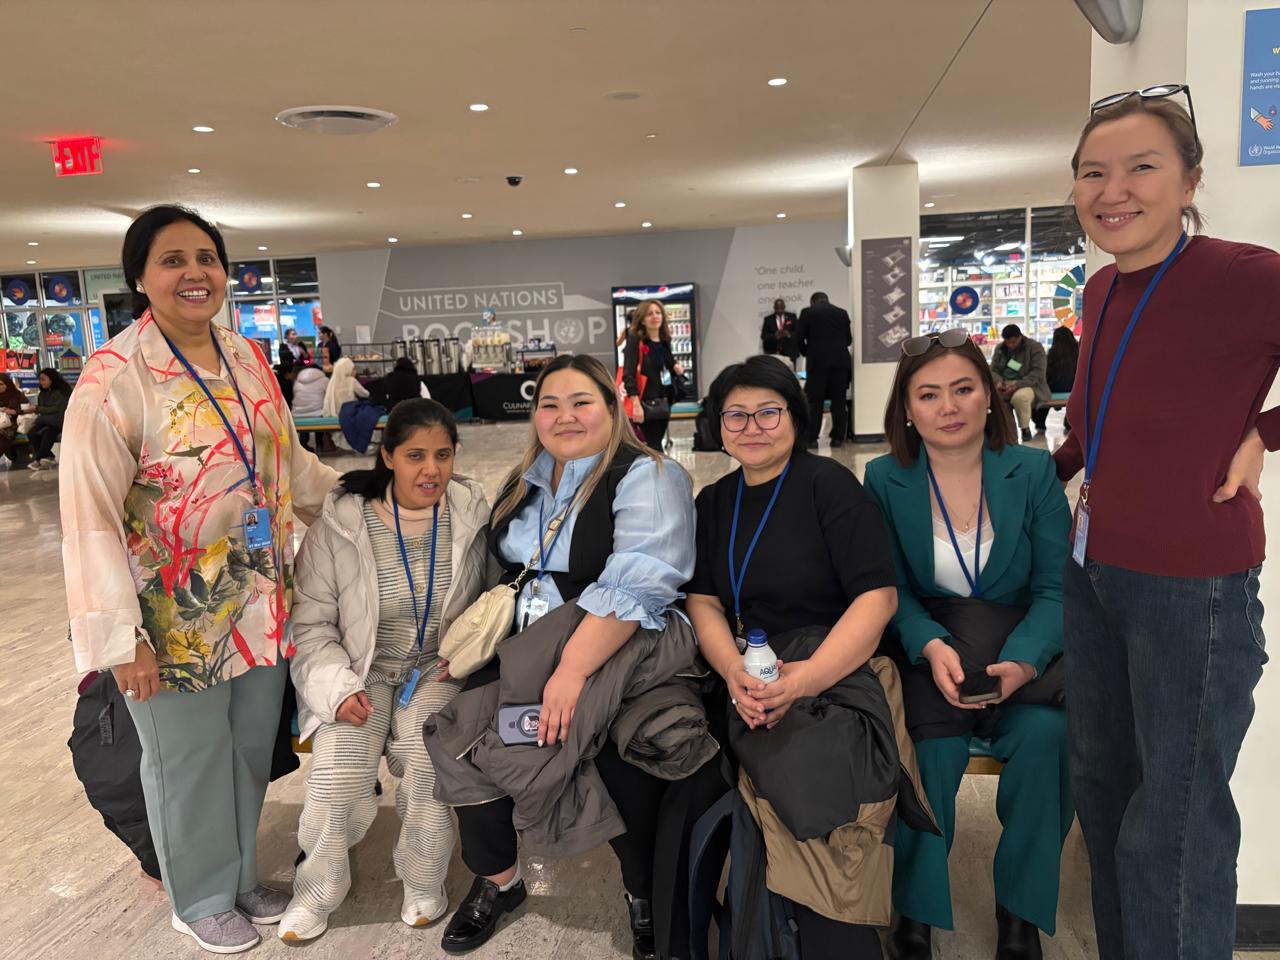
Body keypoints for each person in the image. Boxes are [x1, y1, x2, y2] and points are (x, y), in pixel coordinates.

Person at [58, 204, 339, 954]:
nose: (195, 273)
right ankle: (200, 895)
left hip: (258, 600)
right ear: (140, 278)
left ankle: (240, 876)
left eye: (207, 258)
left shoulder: (245, 356)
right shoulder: (113, 377)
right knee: (186, 761)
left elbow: (288, 465)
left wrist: (363, 503)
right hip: (168, 617)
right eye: (173, 260)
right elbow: (87, 517)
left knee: (247, 751)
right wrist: (122, 640)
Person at [1056, 88, 1278, 960]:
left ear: (1189, 182)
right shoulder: (1103, 287)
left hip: (1194, 590)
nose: (1112, 191)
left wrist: (1264, 434)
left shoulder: (1243, 276)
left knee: (1173, 826)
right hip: (1094, 573)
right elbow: (1095, 426)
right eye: (1092, 173)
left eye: (1141, 168)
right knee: (1105, 797)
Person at [430, 353, 696, 959]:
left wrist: (572, 671)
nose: (564, 416)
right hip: (526, 645)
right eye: (549, 404)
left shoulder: (648, 476)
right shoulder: (523, 481)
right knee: (462, 733)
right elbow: (496, 571)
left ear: (612, 408)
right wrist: (466, 644)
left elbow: (641, 580)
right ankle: (499, 880)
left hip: (616, 643)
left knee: (619, 754)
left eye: (581, 402)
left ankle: (644, 892)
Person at [863, 329, 1073, 960]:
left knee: (1047, 740)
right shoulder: (884, 478)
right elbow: (890, 588)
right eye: (928, 394)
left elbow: (1057, 587)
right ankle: (916, 911)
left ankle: (1021, 912)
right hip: (935, 652)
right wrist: (929, 645)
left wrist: (1025, 660)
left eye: (963, 389)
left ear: (991, 394)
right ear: (907, 409)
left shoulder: (1032, 471)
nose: (948, 407)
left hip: (1022, 651)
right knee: (926, 752)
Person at [685, 354, 901, 960]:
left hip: (831, 668)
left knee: (809, 774)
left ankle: (830, 932)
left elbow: (877, 598)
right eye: (736, 415)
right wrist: (732, 670)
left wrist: (805, 680)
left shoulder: (828, 486)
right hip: (745, 674)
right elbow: (703, 600)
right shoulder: (715, 501)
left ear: (796, 418)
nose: (751, 427)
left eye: (768, 412)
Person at [280, 399, 493, 941]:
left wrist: (467, 658)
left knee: (427, 764)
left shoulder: (471, 515)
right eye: (415, 455)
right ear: (389, 457)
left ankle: (423, 878)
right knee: (335, 775)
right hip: (362, 672)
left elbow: (490, 602)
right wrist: (336, 688)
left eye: (443, 455)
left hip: (438, 671)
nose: (431, 470)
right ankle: (316, 891)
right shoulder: (342, 524)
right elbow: (311, 624)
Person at [623, 298, 683, 451]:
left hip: (664, 399)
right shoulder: (635, 340)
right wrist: (636, 404)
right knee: (654, 446)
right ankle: (657, 466)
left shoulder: (664, 340)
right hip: (646, 402)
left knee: (656, 444)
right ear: (642, 320)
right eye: (649, 314)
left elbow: (667, 363)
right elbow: (628, 374)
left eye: (658, 313)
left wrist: (675, 366)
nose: (655, 316)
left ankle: (658, 465)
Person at [796, 291, 852, 447]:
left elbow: (798, 338)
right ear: (827, 300)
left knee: (815, 401)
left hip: (817, 363)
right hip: (841, 363)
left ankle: (812, 438)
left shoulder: (807, 312)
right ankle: (838, 438)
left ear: (812, 302)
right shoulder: (842, 313)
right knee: (839, 401)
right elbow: (848, 340)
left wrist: (807, 353)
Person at [990, 324, 1049, 442]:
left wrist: (1018, 384)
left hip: (1030, 385)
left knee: (1019, 398)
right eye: (1007, 342)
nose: (1010, 345)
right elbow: (993, 370)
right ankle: (1008, 433)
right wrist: (998, 382)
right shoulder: (1000, 349)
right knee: (997, 401)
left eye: (1013, 342)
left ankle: (1025, 429)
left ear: (1020, 337)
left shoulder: (1035, 348)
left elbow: (1038, 372)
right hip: (1005, 384)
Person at [25, 367, 72, 470]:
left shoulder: (61, 393)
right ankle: (48, 456)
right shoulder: (42, 394)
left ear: (52, 379)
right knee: (32, 433)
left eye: (43, 379)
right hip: (47, 421)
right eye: (40, 379)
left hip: (59, 422)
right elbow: (43, 409)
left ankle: (38, 460)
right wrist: (38, 410)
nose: (41, 382)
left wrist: (38, 409)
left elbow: (58, 409)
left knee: (48, 432)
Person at [1035, 326, 1079, 433]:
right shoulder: (1079, 352)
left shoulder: (1051, 354)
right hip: (1073, 389)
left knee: (1040, 395)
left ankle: (1040, 423)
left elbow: (1046, 374)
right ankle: (1069, 422)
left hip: (1053, 389)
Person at [291, 362, 331, 452]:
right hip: (318, 412)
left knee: (304, 420)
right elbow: (328, 395)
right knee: (319, 416)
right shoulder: (324, 380)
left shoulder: (297, 381)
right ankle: (319, 444)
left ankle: (303, 445)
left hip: (298, 413)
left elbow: (296, 395)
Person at [0, 371, 27, 465]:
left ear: (7, 384)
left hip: (13, 422)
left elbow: (27, 409)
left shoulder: (16, 395)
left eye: (1, 384)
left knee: (2, 436)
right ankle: (13, 455)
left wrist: (11, 411)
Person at [760, 298, 798, 362]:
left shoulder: (792, 317)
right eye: (777, 308)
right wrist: (774, 335)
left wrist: (788, 334)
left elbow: (798, 333)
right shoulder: (768, 319)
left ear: (784, 307)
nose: (779, 310)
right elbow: (763, 336)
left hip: (790, 351)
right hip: (773, 351)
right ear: (774, 308)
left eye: (781, 308)